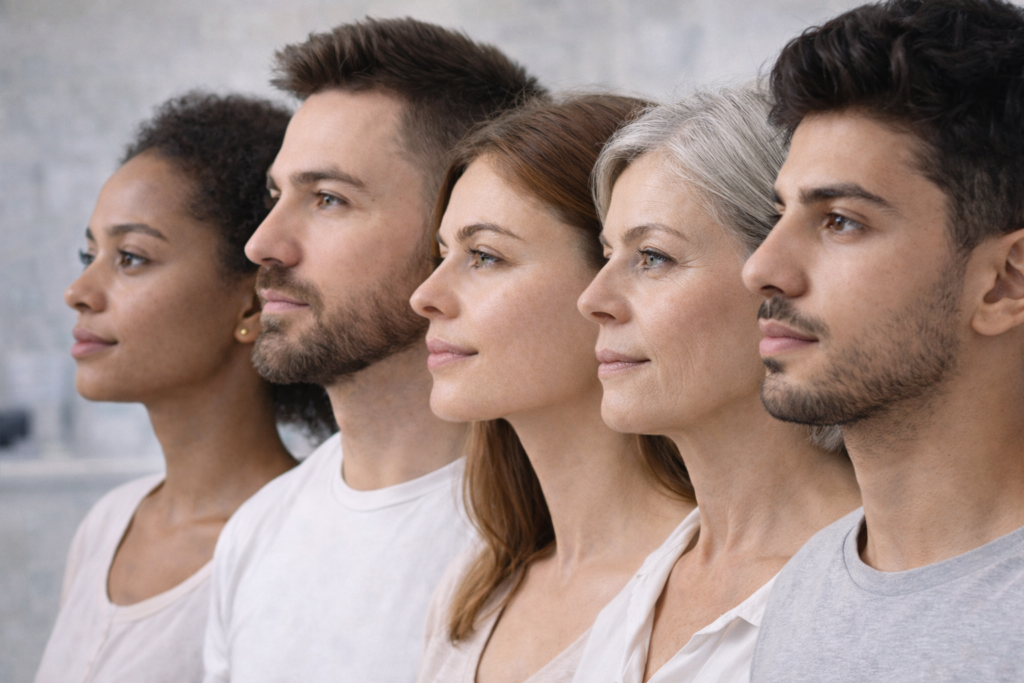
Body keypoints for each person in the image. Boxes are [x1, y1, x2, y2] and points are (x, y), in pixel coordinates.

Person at [203, 18, 547, 683]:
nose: (263, 244)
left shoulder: (549, 535)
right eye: (277, 196)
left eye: (328, 199)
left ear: (456, 229)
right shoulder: (256, 535)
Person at [741, 1, 1024, 680]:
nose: (760, 269)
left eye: (839, 220)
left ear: (1003, 283)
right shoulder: (803, 588)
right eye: (781, 213)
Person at [37, 92, 334, 683]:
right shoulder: (108, 525)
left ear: (252, 300)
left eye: (130, 258)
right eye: (88, 252)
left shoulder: (302, 548)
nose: (78, 290)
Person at [572, 85, 860, 683]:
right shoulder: (640, 590)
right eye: (606, 253)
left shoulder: (878, 589)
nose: (593, 300)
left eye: (652, 257)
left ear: (780, 274)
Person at [411, 94, 696, 683]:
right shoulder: (473, 592)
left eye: (484, 256)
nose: (425, 295)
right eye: (443, 254)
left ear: (615, 271)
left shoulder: (718, 592)